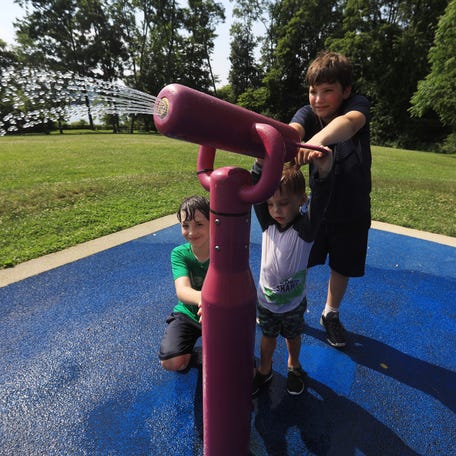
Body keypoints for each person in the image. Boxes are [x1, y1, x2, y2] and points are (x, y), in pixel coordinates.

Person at [289, 51, 372, 348]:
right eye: (313, 91)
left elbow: (349, 124)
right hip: (319, 208)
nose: (318, 99)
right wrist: (292, 140)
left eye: (328, 91)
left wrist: (318, 139)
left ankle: (330, 313)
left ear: (345, 91)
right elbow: (294, 129)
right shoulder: (308, 113)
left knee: (342, 266)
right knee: (299, 259)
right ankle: (292, 304)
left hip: (353, 208)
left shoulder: (356, 105)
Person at [252, 153, 333, 396]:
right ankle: (265, 370)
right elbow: (257, 195)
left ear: (301, 200)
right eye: (271, 204)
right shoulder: (267, 223)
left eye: (284, 203)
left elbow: (320, 202)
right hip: (266, 302)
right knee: (267, 337)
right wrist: (259, 165)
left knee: (293, 336)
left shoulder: (305, 228)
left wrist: (322, 172)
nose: (276, 210)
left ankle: (293, 365)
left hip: (293, 304)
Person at [159, 195, 210, 372]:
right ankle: (197, 353)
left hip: (219, 314)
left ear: (213, 223)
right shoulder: (179, 254)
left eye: (199, 224)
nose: (191, 232)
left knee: (238, 366)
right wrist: (205, 300)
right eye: (185, 225)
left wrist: (213, 306)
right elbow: (182, 291)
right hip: (189, 313)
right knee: (171, 362)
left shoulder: (223, 251)